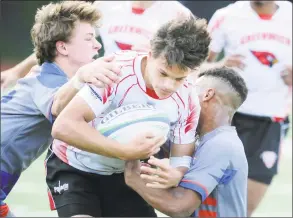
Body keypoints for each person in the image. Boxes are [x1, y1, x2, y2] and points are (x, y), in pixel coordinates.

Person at [47, 16, 210, 217]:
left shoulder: (188, 98)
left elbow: (181, 156)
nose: (169, 85)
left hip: (126, 174)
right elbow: (63, 127)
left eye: (179, 78)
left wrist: (176, 174)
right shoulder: (115, 72)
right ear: (150, 54)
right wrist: (123, 151)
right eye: (163, 73)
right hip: (74, 167)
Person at [0, 1, 121, 217]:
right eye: (88, 38)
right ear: (62, 47)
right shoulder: (48, 80)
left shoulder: (51, 75)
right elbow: (57, 108)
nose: (97, 45)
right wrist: (80, 78)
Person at [124, 66, 249, 217]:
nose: (182, 96)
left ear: (207, 95)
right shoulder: (195, 140)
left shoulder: (221, 145)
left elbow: (180, 207)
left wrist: (133, 176)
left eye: (190, 90)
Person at [205, 1, 292, 215]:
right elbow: (196, 66)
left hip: (270, 120)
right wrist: (220, 64)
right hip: (225, 117)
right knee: (205, 205)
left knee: (242, 210)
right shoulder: (226, 15)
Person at [1, 1, 192, 90]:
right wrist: (16, 72)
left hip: (150, 95)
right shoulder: (106, 6)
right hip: (103, 87)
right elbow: (61, 44)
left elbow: (194, 66)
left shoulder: (179, 14)